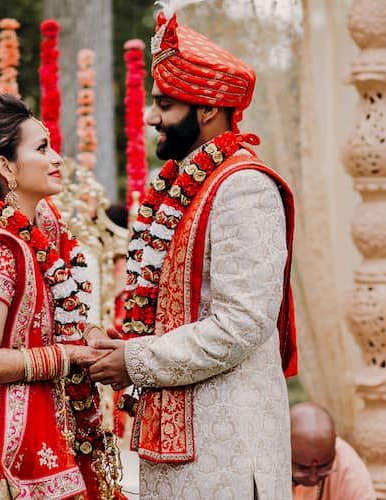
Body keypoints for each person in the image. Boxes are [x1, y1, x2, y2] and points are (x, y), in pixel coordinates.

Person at [88, 9, 298, 499]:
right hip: (182, 449)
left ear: (207, 110)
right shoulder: (191, 185)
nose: (151, 116)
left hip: (226, 452)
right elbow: (181, 310)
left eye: (165, 104)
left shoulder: (243, 187)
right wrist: (117, 343)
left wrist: (134, 360)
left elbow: (242, 324)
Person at [0, 94, 122, 499]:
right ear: (5, 166)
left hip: (58, 423)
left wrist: (87, 336)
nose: (56, 158)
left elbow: (53, 322)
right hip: (3, 445)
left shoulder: (44, 235)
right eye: (41, 148)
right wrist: (68, 356)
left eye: (51, 145)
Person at [291, 403, 376, 500]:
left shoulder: (349, 468)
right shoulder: (272, 461)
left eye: (324, 466)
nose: (313, 478)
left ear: (334, 450)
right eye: (303, 468)